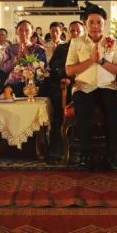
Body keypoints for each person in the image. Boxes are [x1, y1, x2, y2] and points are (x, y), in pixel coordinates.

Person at [66, 2, 117, 169]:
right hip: (84, 86)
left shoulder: (113, 42)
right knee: (83, 111)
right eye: (91, 22)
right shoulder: (76, 42)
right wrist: (91, 60)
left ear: (104, 24)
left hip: (107, 86)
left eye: (99, 22)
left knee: (113, 111)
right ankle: (84, 154)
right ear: (85, 24)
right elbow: (69, 70)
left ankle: (111, 155)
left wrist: (102, 61)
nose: (95, 26)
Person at [46, 20, 85, 157]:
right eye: (72, 30)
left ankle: (82, 144)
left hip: (83, 84)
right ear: (68, 32)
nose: (75, 33)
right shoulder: (62, 48)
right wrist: (68, 59)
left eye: (78, 31)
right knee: (58, 99)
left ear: (83, 32)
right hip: (64, 83)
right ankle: (57, 143)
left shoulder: (89, 47)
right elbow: (52, 65)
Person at [2, 20, 47, 96]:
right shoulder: (10, 49)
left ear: (32, 33)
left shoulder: (38, 49)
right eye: (21, 30)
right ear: (16, 31)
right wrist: (17, 59)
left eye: (27, 30)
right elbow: (5, 69)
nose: (23, 33)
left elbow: (42, 67)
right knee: (7, 92)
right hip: (14, 82)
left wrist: (27, 55)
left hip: (34, 82)